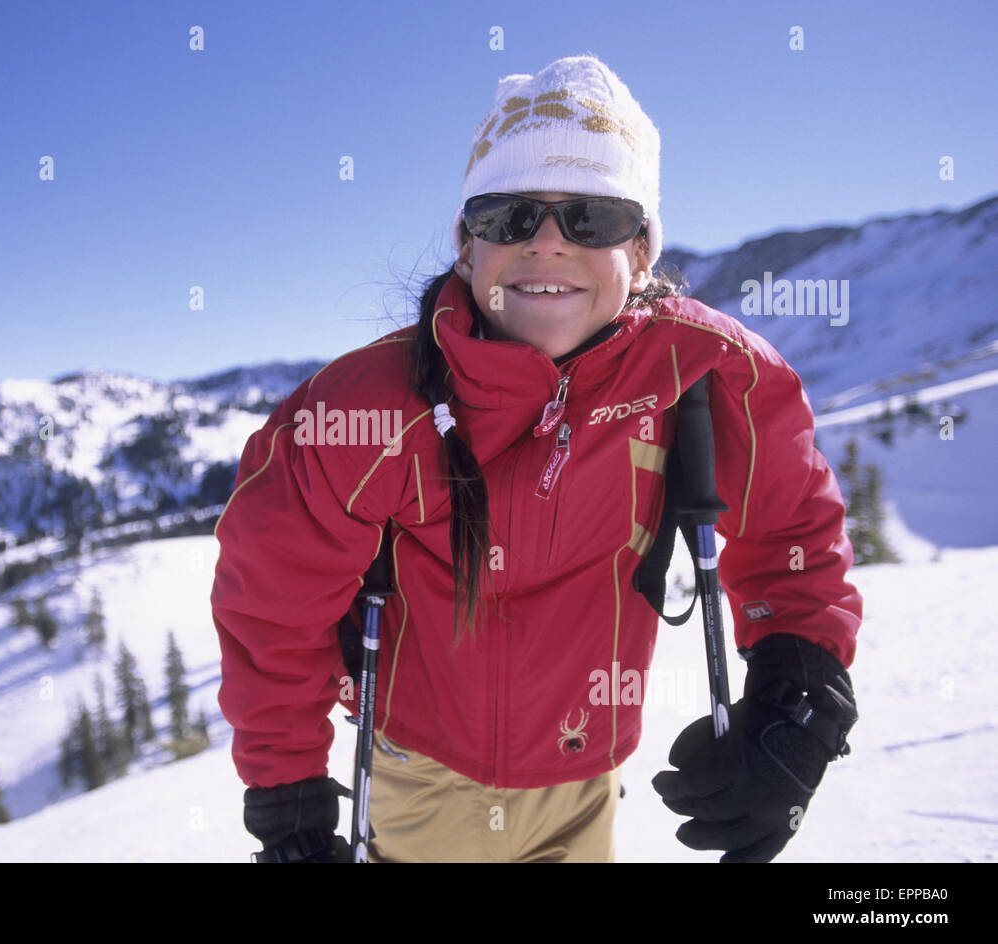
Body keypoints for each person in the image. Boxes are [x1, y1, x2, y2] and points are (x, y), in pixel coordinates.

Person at [211, 54, 861, 863]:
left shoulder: (705, 370)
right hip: (422, 781)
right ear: (465, 245)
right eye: (509, 215)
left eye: (594, 217)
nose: (549, 243)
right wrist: (288, 802)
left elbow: (794, 529)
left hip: (584, 779)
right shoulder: (362, 409)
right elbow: (273, 601)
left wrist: (800, 690)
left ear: (642, 251)